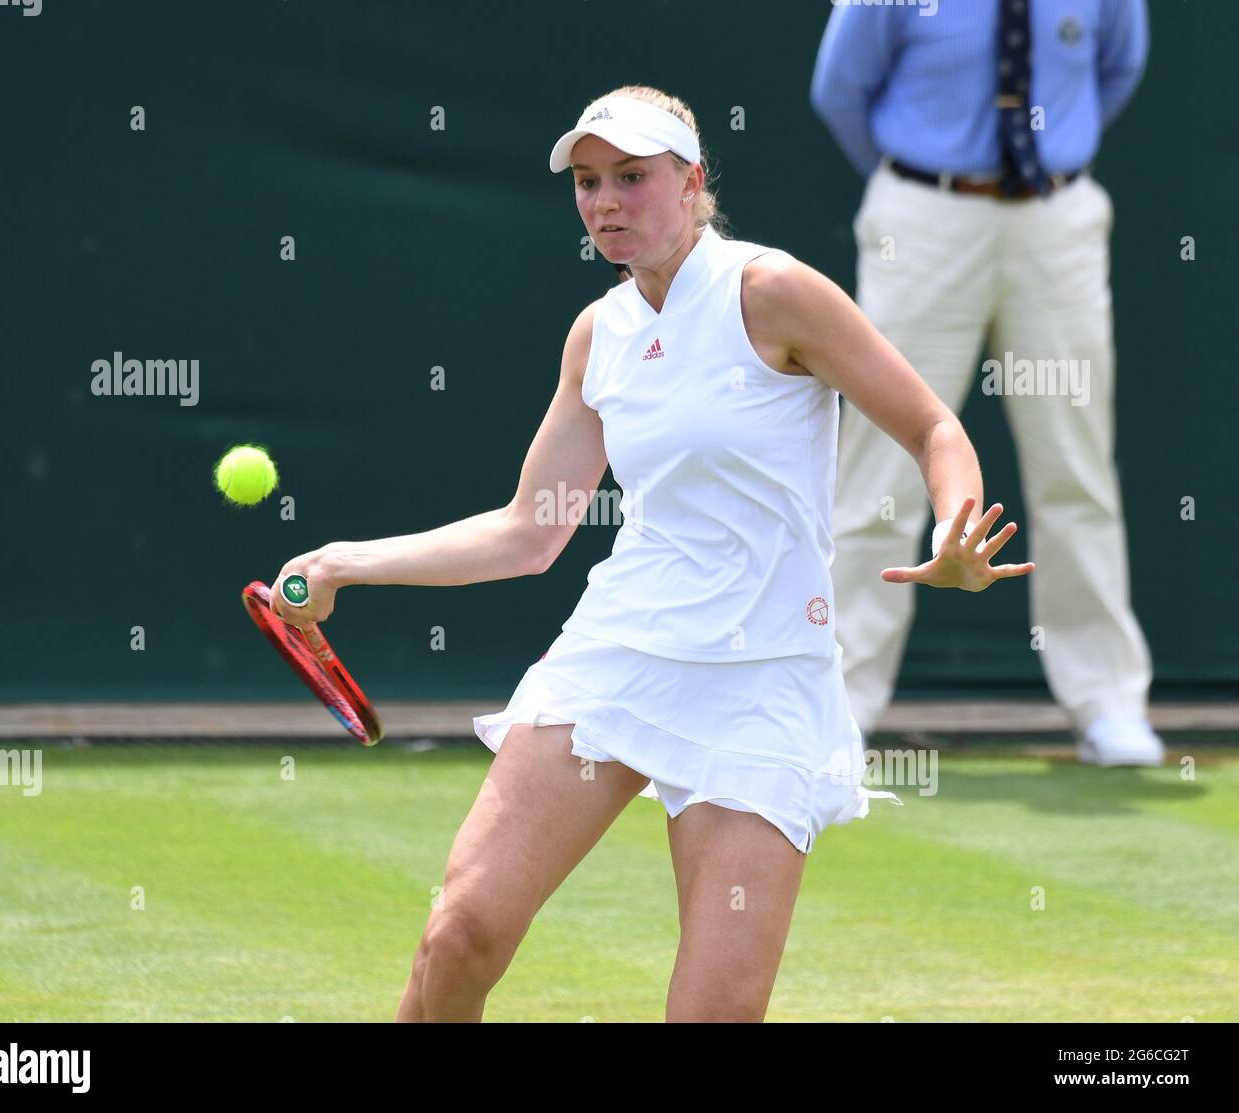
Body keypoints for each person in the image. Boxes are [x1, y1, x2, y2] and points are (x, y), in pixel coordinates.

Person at [269, 86, 1032, 1023]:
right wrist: (344, 562)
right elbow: (528, 530)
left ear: (692, 180)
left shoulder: (774, 292)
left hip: (763, 679)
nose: (605, 202)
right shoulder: (600, 333)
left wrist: (955, 528)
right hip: (621, 651)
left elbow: (931, 426)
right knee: (458, 935)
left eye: (632, 177)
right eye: (587, 182)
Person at [811, 0, 1159, 766]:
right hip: (923, 218)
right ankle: (835, 707)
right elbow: (840, 88)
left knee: (1076, 468)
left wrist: (1050, 154)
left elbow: (1117, 70)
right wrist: (921, 180)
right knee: (879, 471)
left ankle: (1107, 702)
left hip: (1057, 216)